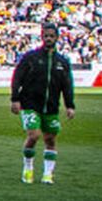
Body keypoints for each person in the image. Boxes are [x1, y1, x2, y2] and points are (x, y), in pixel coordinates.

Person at [12, 21, 76, 185]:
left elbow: (67, 85)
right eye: (46, 36)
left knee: (50, 139)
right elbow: (17, 77)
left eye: (51, 36)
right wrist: (15, 99)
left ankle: (48, 174)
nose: (48, 39)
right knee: (33, 135)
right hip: (30, 104)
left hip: (51, 106)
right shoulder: (31, 57)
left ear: (57, 38)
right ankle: (28, 168)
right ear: (42, 37)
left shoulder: (62, 61)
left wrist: (70, 105)